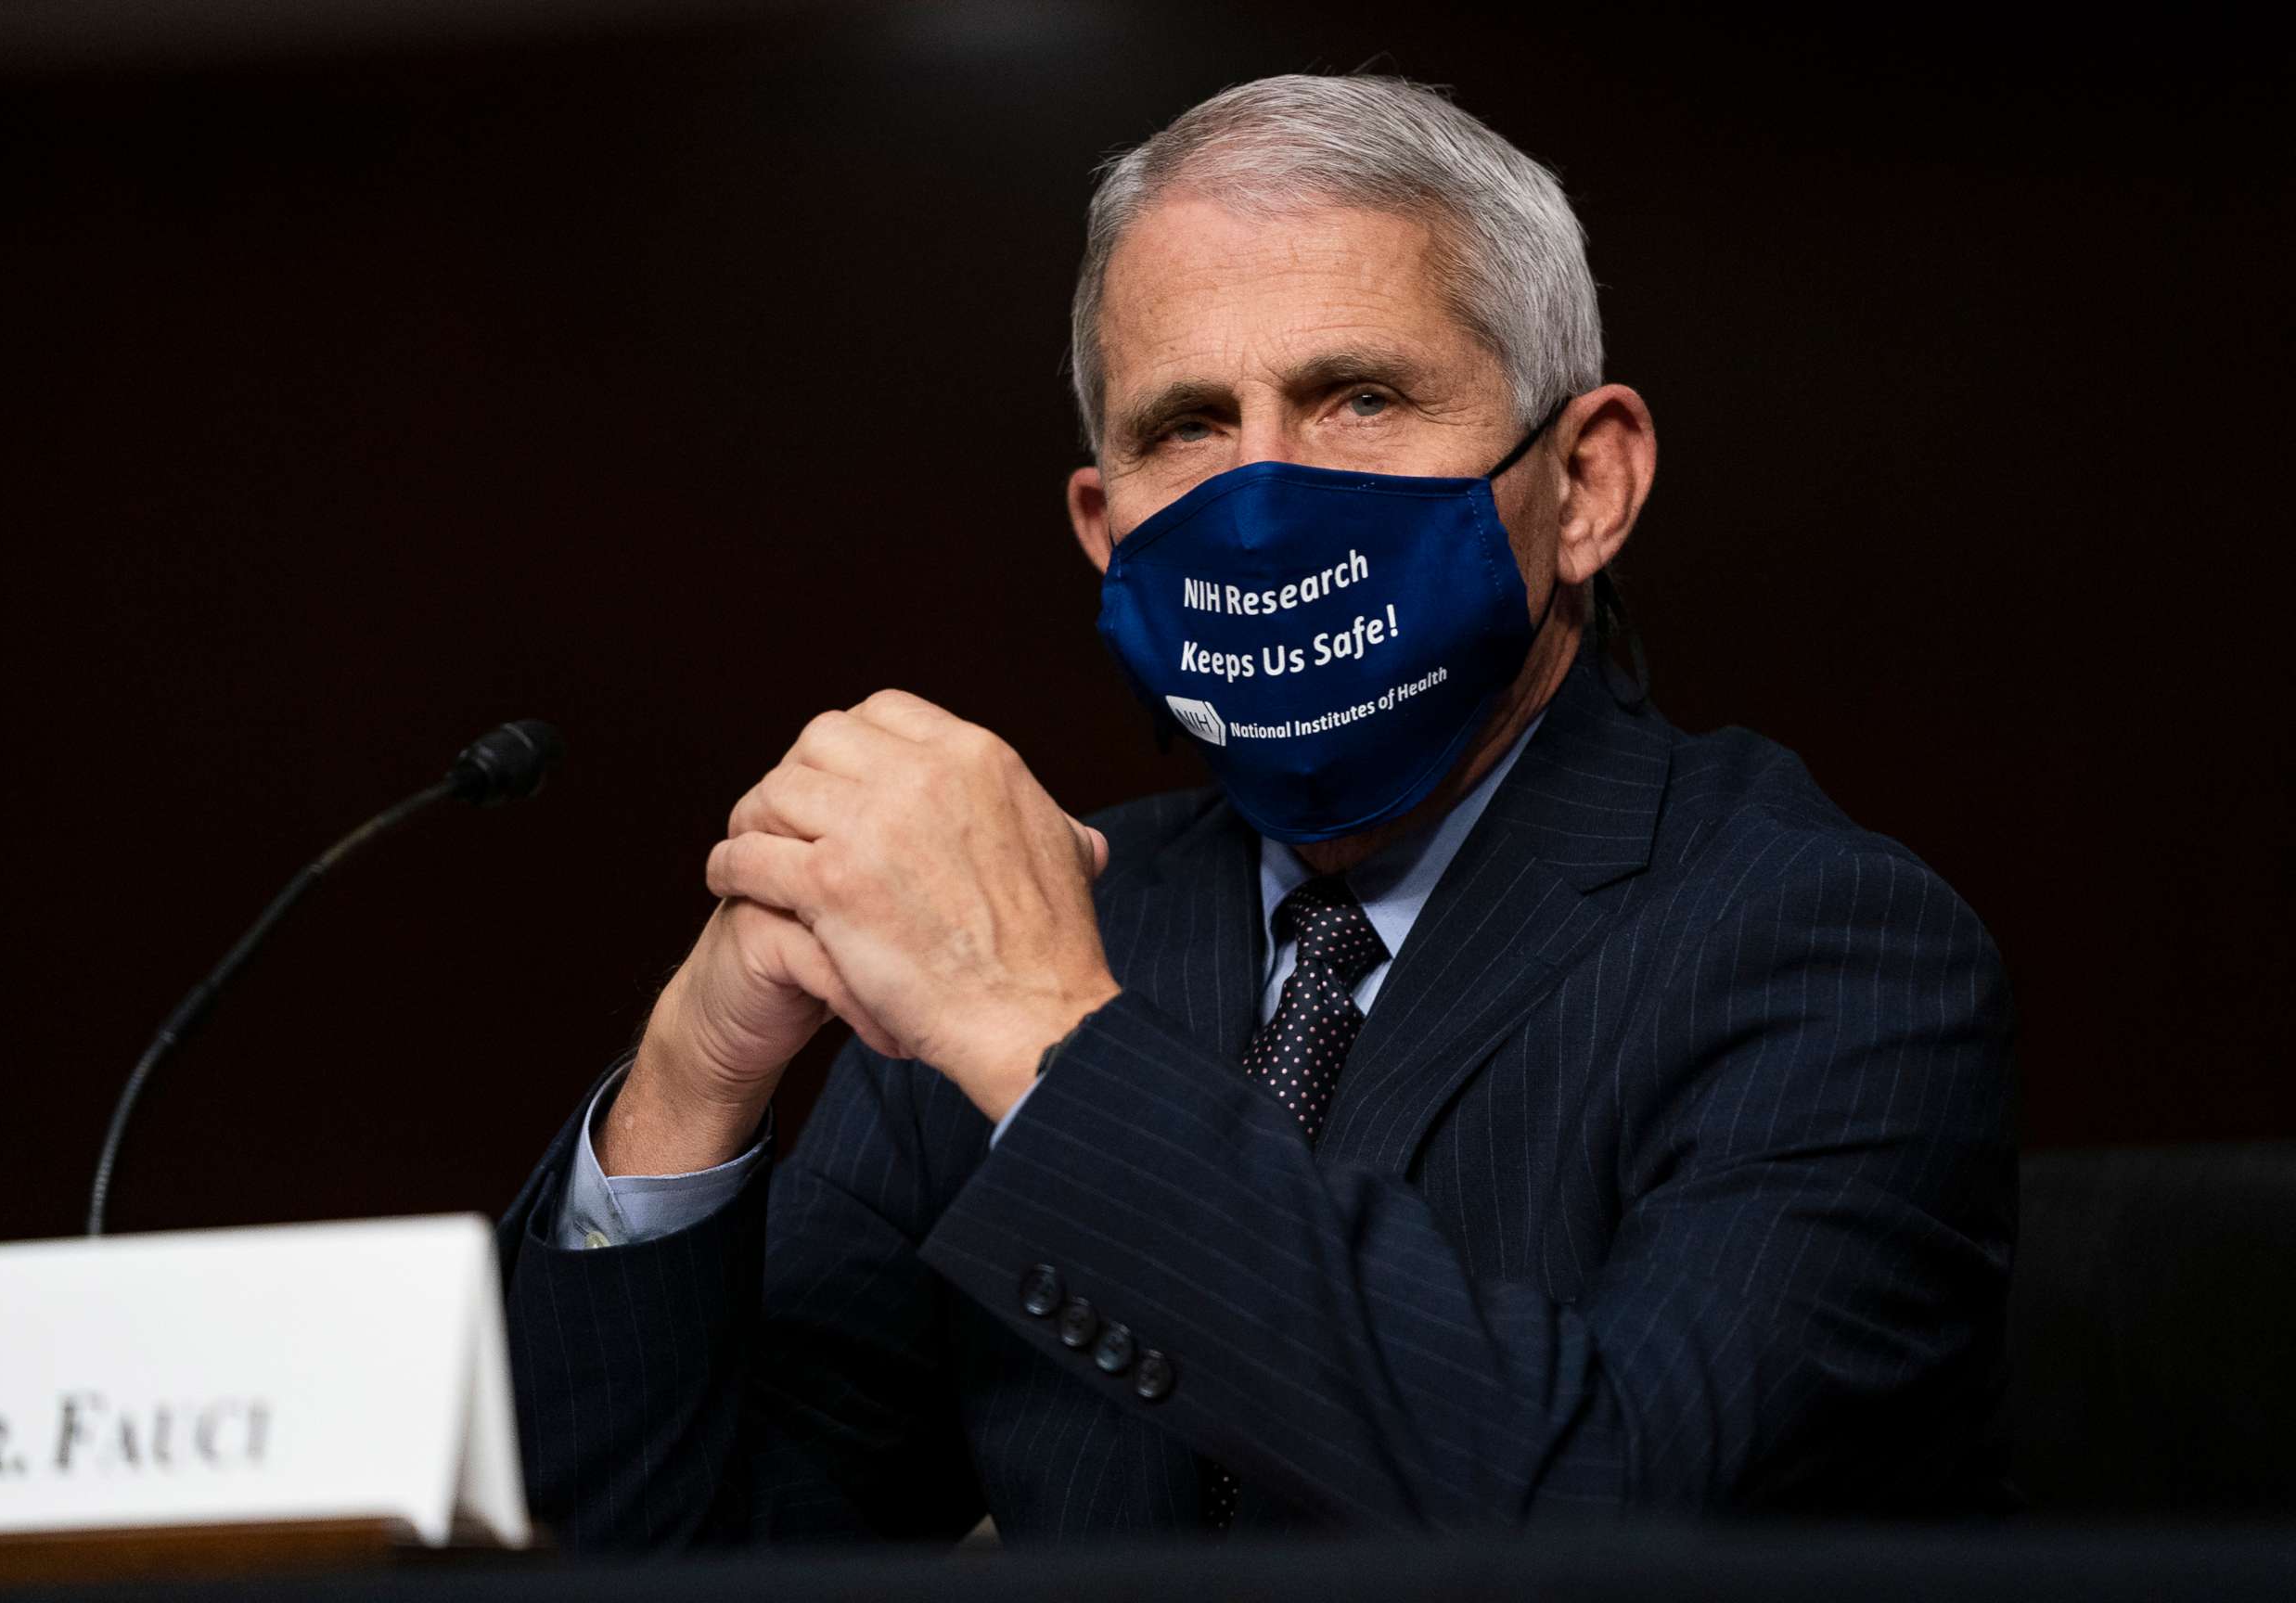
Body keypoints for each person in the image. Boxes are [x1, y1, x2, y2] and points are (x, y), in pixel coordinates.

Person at [497, 74, 2016, 1544]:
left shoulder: (1829, 945)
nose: (1267, 502)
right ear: (1104, 528)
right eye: (1187, 427)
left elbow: (1617, 1512)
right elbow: (689, 1550)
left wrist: (1047, 1043)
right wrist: (688, 1091)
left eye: (1360, 397)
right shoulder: (1047, 929)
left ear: (1588, 486)